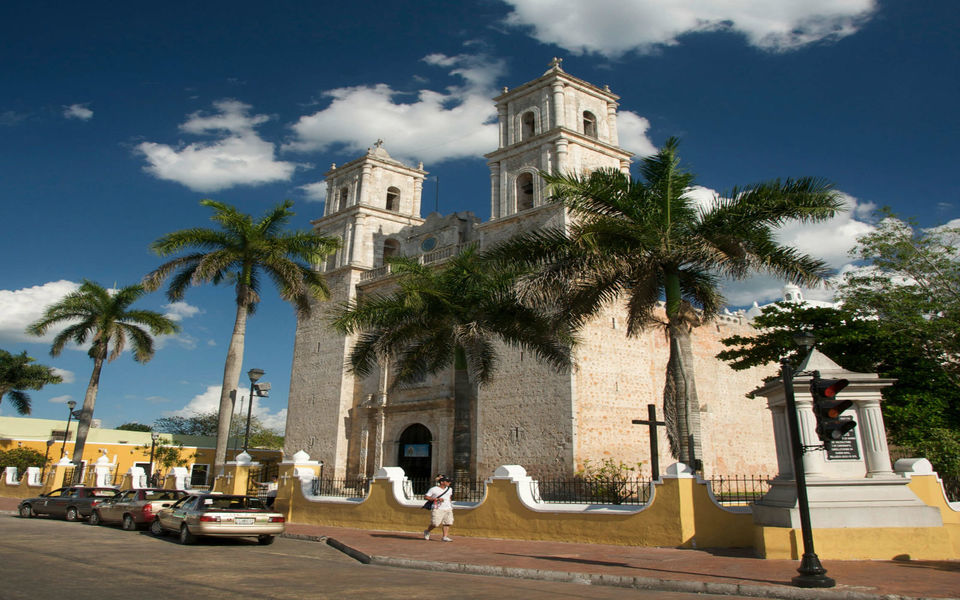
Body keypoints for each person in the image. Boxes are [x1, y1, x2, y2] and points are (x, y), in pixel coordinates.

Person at [423, 476, 454, 542]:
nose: (449, 483)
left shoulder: (450, 489)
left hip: (448, 508)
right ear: (442, 482)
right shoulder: (433, 489)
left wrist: (450, 504)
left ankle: (445, 536)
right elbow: (426, 497)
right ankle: (427, 531)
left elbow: (449, 497)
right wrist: (435, 499)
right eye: (447, 481)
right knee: (435, 523)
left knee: (447, 522)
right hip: (438, 508)